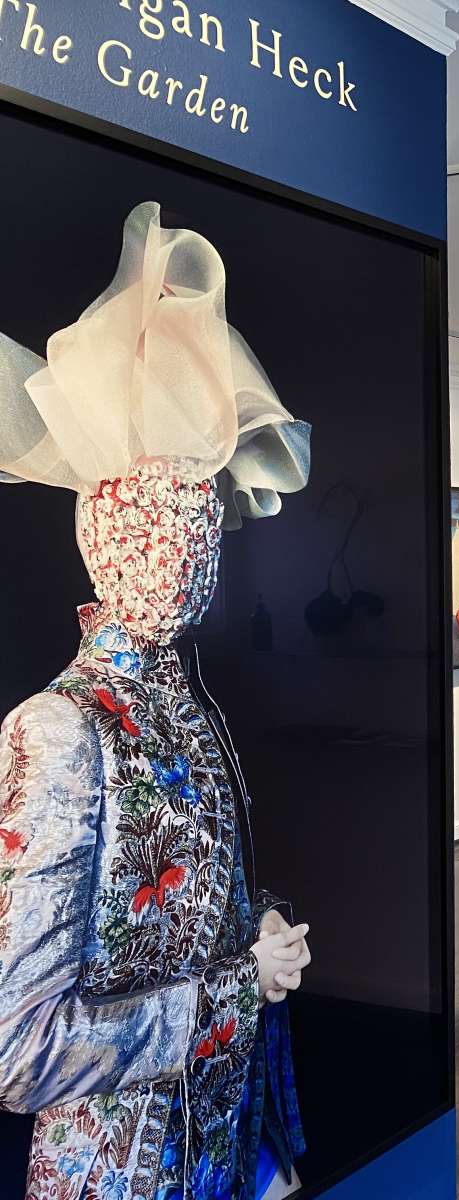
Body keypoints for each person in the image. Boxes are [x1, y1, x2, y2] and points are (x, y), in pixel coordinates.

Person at [0, 203, 311, 1200]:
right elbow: (21, 1051)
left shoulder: (191, 710)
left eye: (196, 525)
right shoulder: (56, 733)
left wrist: (259, 927)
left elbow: (185, 902)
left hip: (223, 1151)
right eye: (149, 525)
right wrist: (236, 988)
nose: (174, 554)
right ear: (101, 535)